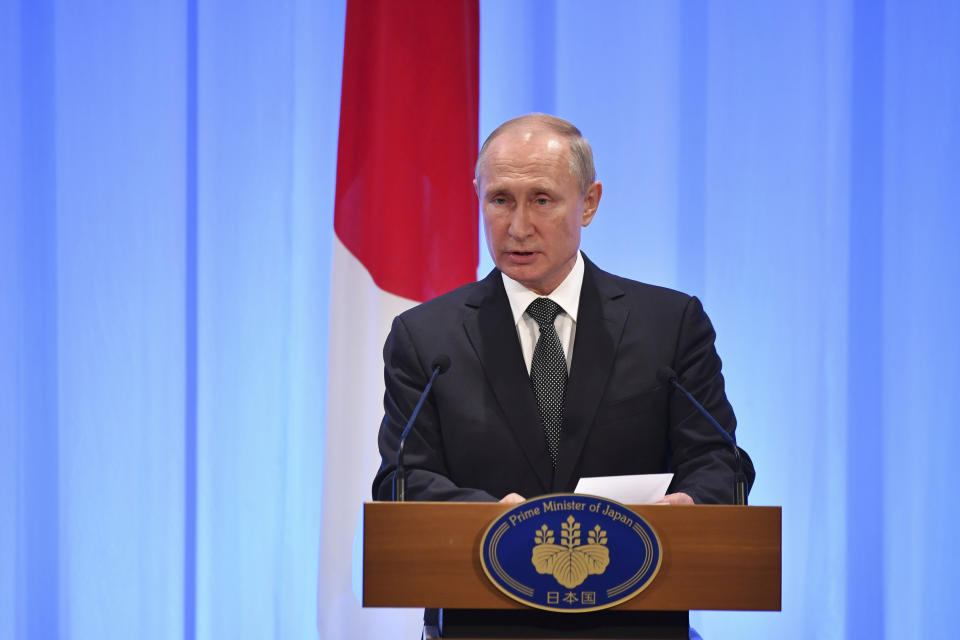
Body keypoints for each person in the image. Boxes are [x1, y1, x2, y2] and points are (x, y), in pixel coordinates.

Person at [372, 113, 753, 507]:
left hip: (638, 562)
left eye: (542, 200)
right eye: (500, 200)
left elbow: (720, 463)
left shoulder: (670, 327)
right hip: (482, 562)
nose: (518, 227)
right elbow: (402, 480)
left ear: (589, 203)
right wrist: (491, 518)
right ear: (478, 196)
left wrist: (686, 506)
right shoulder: (426, 340)